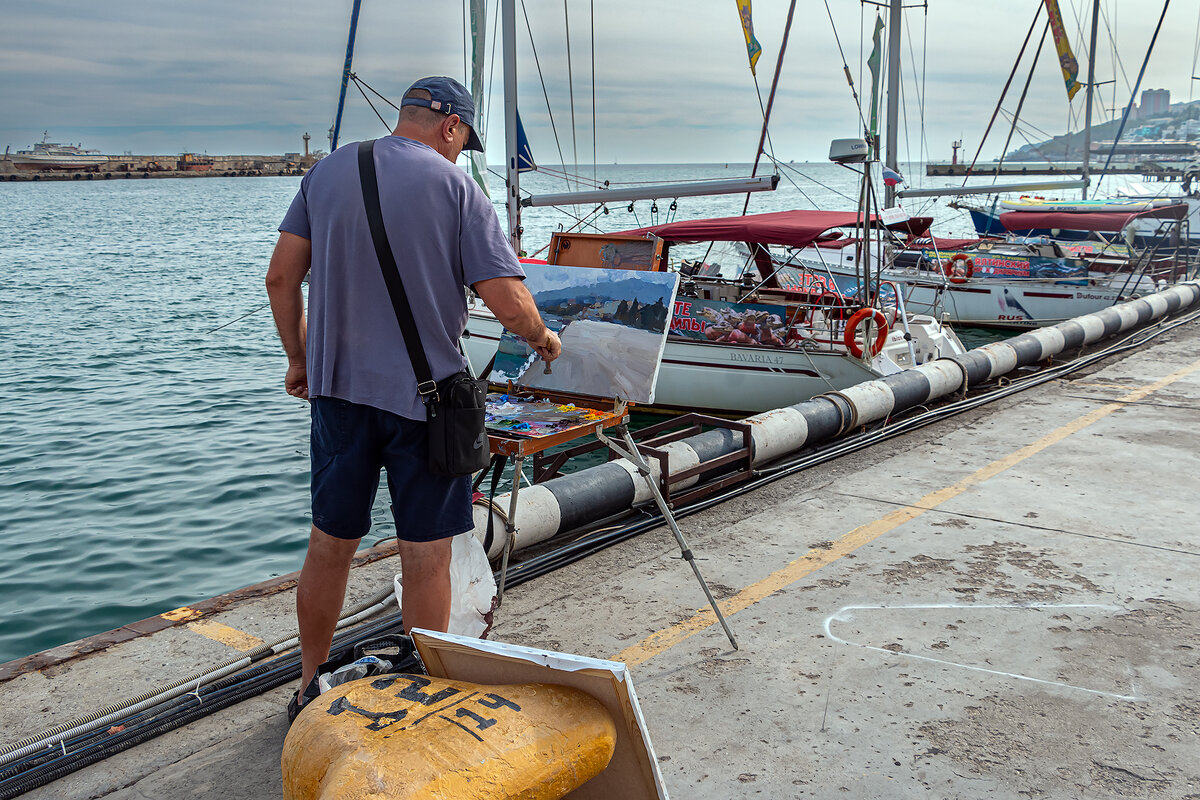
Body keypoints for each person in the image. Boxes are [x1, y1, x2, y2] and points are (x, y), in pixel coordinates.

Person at [265, 76, 561, 717]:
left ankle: (309, 686)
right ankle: (425, 691)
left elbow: (281, 277)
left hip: (339, 396)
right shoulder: (458, 188)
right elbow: (507, 301)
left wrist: (299, 358)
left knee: (328, 544)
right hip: (428, 402)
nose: (460, 153)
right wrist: (543, 336)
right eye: (463, 141)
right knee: (425, 554)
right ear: (452, 126)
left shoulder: (326, 173)